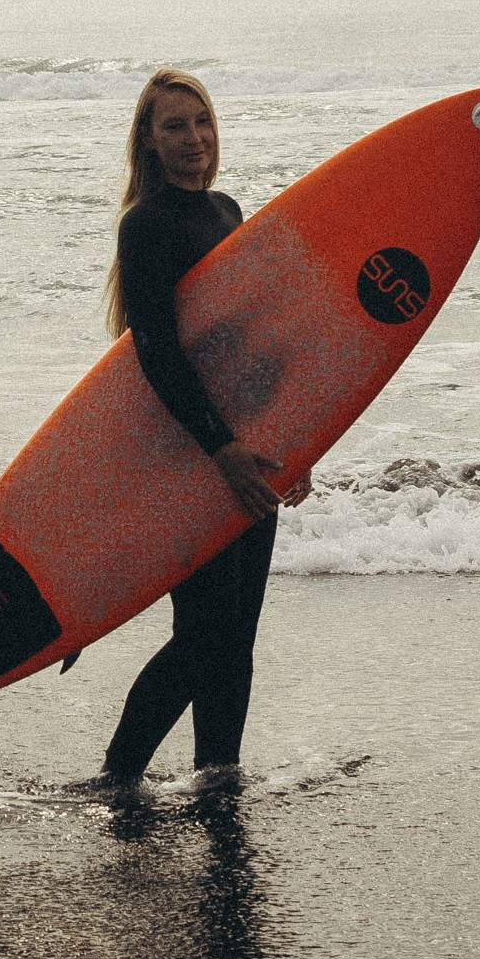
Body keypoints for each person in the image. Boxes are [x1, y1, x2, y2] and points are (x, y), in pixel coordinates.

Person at [97, 68, 312, 785]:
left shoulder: (227, 209)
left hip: (248, 449)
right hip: (190, 452)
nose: (193, 139)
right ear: (149, 142)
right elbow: (157, 351)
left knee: (236, 635)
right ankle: (119, 773)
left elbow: (253, 345)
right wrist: (218, 447)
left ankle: (218, 772)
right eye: (174, 127)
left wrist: (296, 439)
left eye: (202, 122)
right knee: (202, 635)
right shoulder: (147, 225)